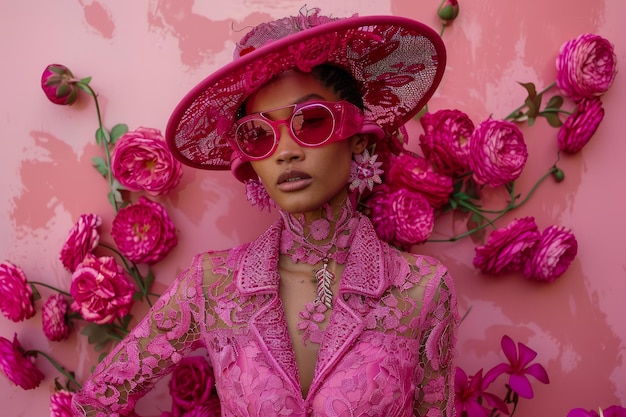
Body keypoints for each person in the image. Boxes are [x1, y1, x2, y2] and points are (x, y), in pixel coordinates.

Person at [72, 7, 459, 417]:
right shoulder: (213, 286)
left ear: (359, 141)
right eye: (259, 135)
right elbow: (95, 402)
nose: (286, 152)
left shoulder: (423, 289)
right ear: (250, 160)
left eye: (310, 121)